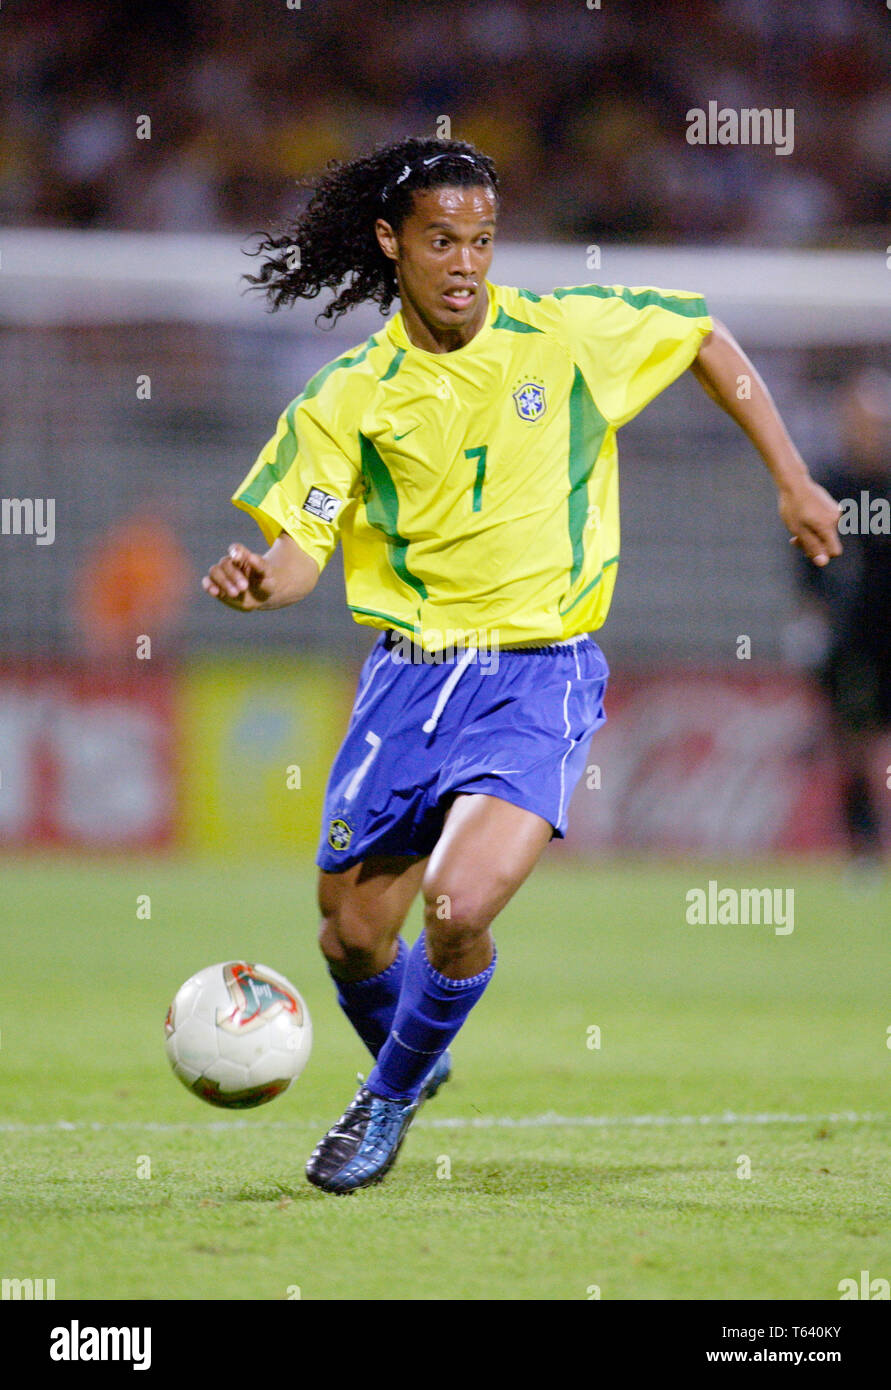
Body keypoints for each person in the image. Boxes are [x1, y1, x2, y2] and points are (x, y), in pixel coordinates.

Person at [202, 136, 841, 1194]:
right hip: (408, 678)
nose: (466, 263)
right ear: (389, 243)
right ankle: (418, 1045)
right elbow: (298, 553)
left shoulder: (565, 336)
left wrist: (793, 475)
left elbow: (701, 335)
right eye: (443, 240)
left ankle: (387, 1098)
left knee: (457, 909)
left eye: (484, 241)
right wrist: (255, 585)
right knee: (353, 934)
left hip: (536, 673)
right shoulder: (348, 397)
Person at [791, 369, 891, 867]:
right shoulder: (828, 484)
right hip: (852, 637)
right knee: (853, 742)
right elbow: (806, 558)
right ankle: (864, 849)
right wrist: (812, 621)